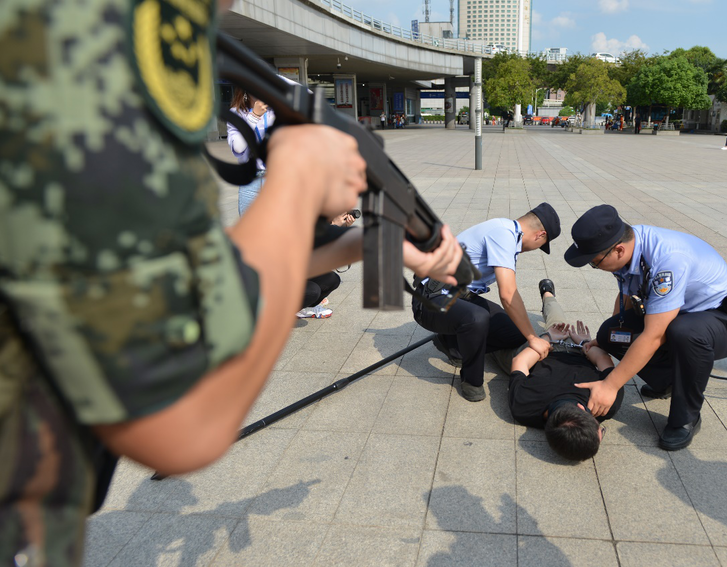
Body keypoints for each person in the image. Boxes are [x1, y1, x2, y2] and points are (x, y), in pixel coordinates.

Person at [0, 1, 465, 565]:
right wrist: (298, 180)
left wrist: (366, 244)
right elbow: (180, 426)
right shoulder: (87, 35)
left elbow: (198, 278)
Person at [563, 205, 727, 451]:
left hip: (726, 319)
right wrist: (608, 336)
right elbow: (626, 293)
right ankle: (668, 380)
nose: (595, 266)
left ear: (619, 250)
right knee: (609, 334)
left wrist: (610, 385)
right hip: (682, 314)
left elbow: (654, 335)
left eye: (594, 262)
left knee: (684, 332)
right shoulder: (627, 248)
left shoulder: (667, 260)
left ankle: (686, 418)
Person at [412, 204, 561, 402]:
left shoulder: (507, 231)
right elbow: (508, 294)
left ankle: (451, 343)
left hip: (460, 297)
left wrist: (527, 334)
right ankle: (471, 381)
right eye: (541, 245)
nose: (535, 249)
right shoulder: (503, 234)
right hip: (431, 300)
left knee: (515, 332)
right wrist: (533, 338)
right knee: (477, 318)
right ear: (539, 235)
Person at [492, 281, 624, 461]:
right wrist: (584, 344)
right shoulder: (606, 398)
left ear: (580, 408)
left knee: (494, 342)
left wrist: (547, 338)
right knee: (560, 323)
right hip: (577, 349)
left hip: (536, 354)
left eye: (600, 429)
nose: (601, 425)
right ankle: (548, 295)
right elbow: (603, 359)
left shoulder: (525, 407)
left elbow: (520, 362)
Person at [227, 87, 276, 215]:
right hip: (250, 179)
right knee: (248, 228)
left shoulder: (277, 111)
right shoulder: (236, 112)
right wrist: (254, 116)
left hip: (277, 177)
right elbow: (238, 147)